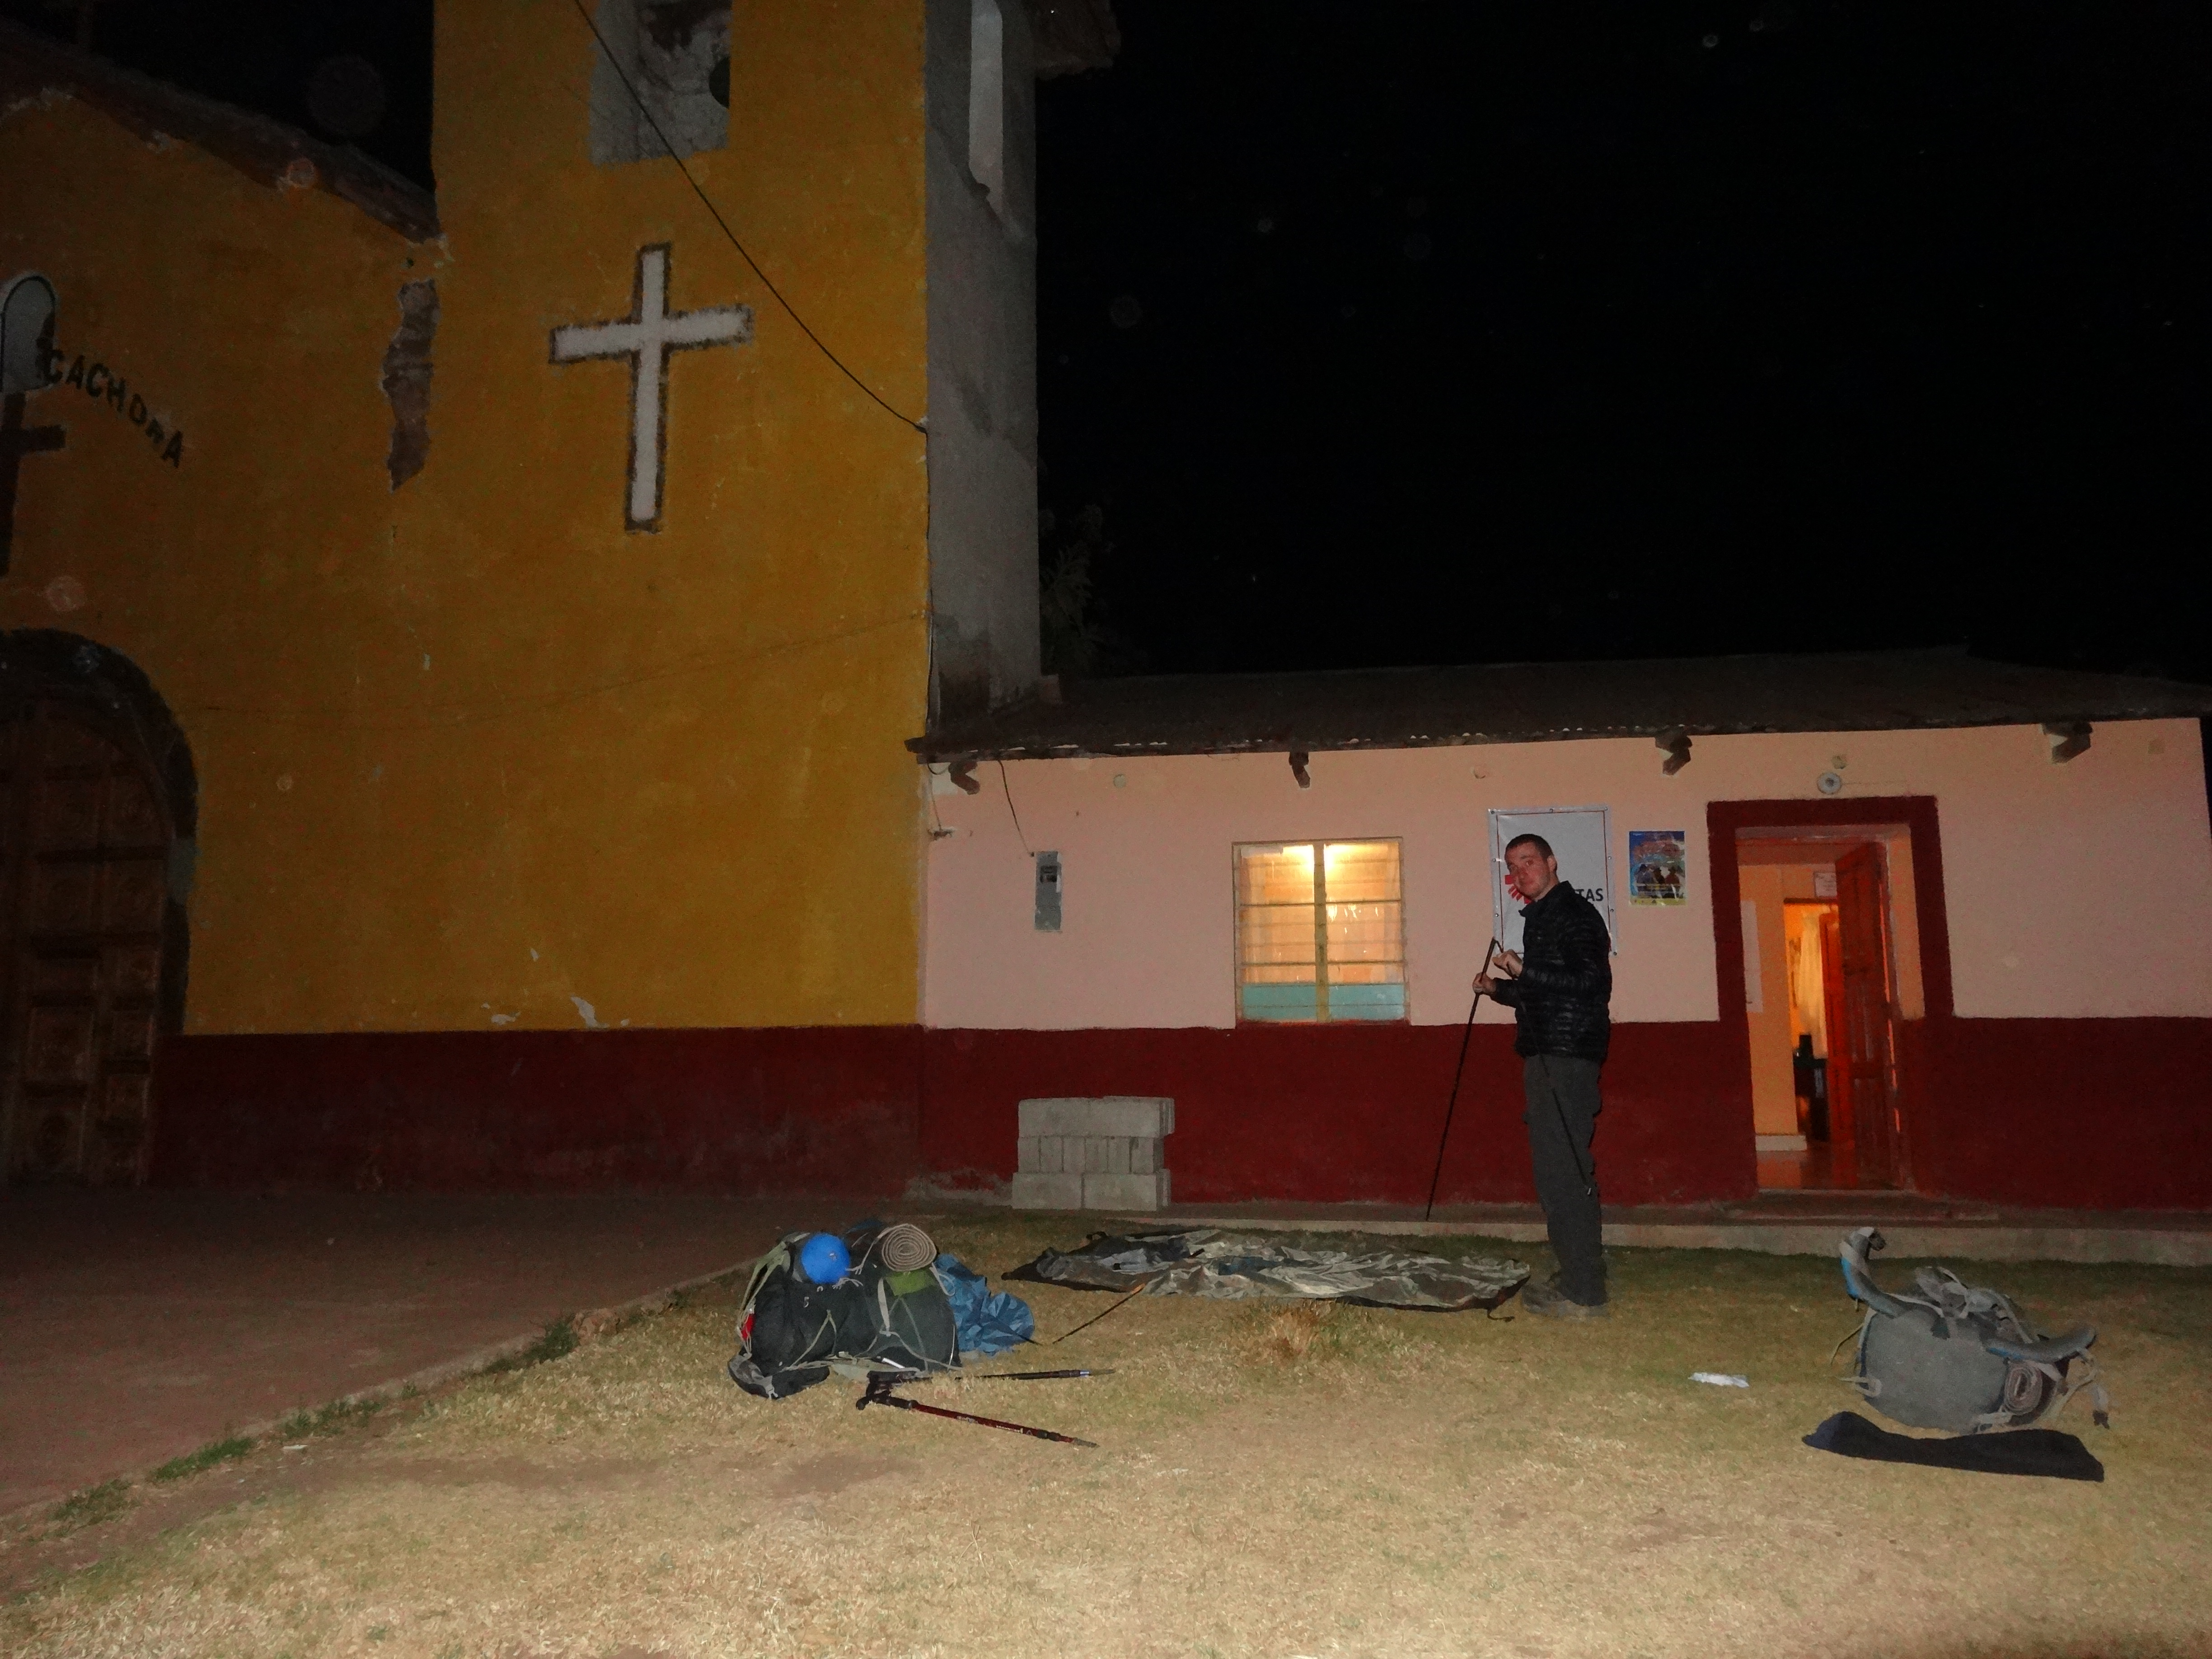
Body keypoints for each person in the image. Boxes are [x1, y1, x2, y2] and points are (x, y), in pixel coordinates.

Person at [1476, 832, 1614, 1318]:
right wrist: (1498, 989)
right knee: (1557, 1170)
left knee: (1563, 1171)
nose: (1521, 873)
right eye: (1514, 867)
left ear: (1552, 863)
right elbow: (1546, 996)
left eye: (1529, 862)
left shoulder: (1574, 914)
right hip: (1549, 1052)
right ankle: (1579, 1271)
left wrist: (1524, 971)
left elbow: (1591, 984)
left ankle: (1584, 1292)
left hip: (1567, 1056)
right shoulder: (1544, 917)